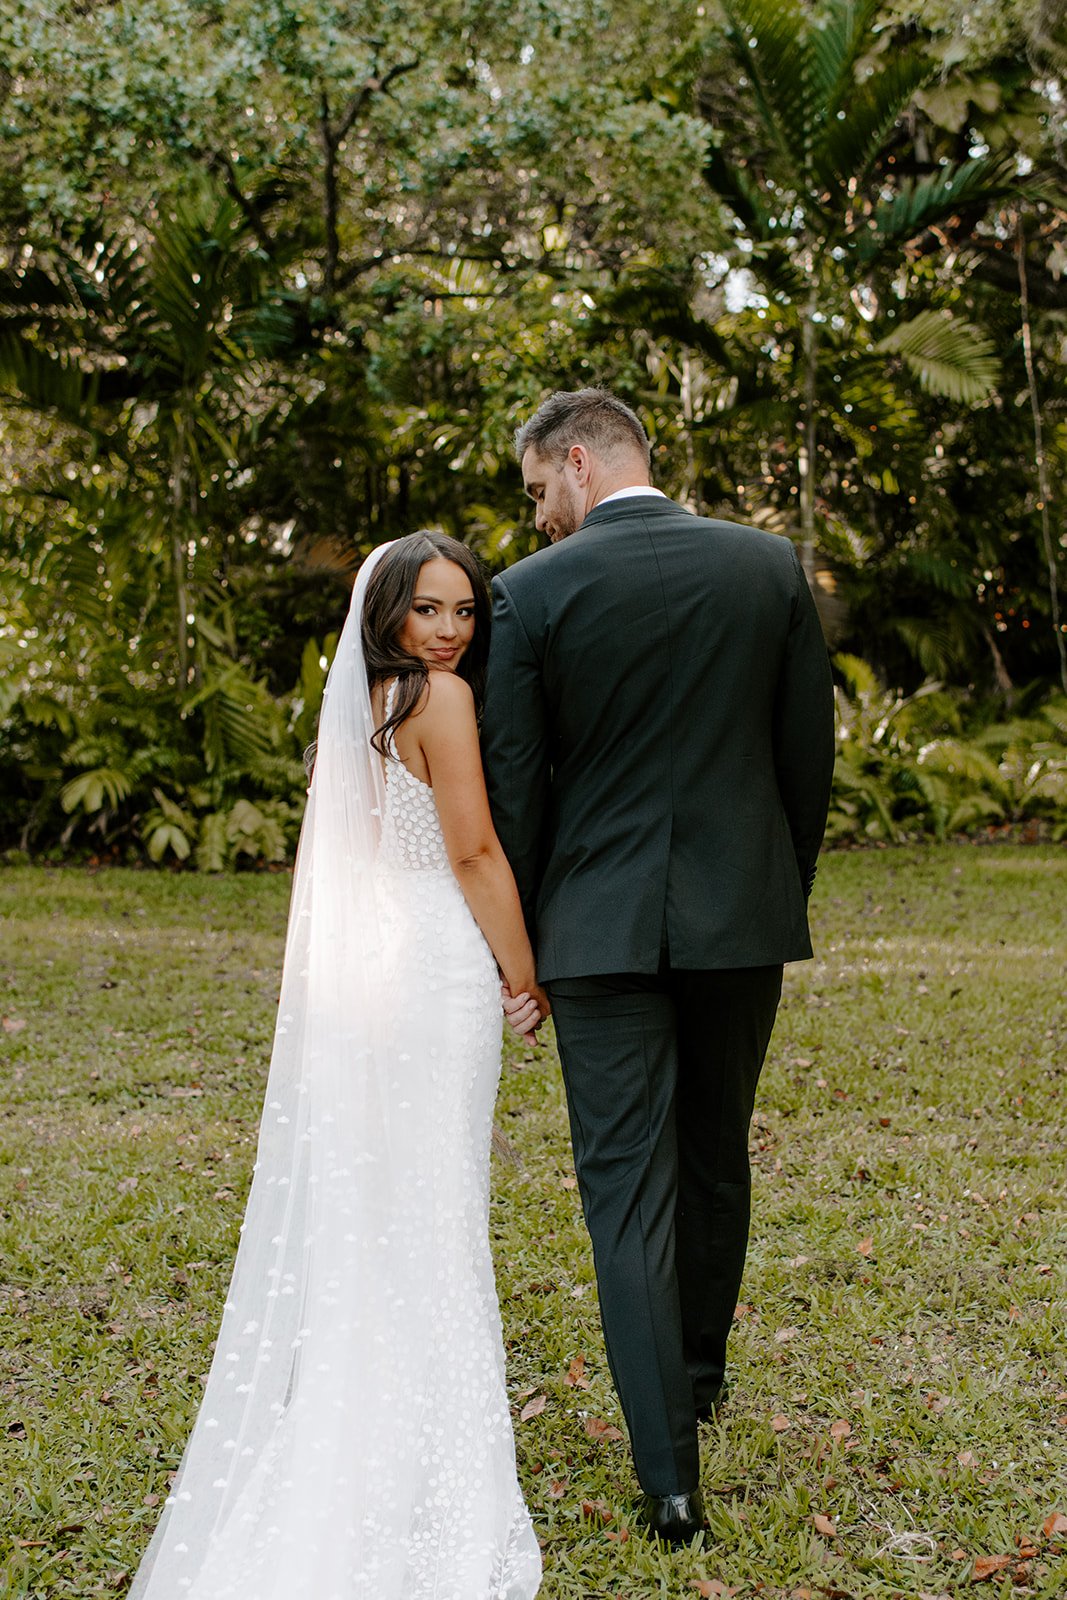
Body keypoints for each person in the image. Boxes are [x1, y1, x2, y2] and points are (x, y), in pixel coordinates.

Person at [128, 531, 545, 1600]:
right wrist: (522, 975)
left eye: (462, 612)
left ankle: (374, 1428)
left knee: (390, 1215)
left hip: (372, 975)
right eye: (428, 610)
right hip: (440, 967)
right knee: (439, 1214)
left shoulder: (363, 706)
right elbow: (471, 851)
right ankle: (424, 1464)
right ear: (388, 613)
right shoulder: (439, 704)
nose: (449, 631)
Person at [484, 388, 835, 1546]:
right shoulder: (764, 567)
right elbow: (802, 764)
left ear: (577, 463)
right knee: (713, 1150)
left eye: (538, 490)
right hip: (741, 916)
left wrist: (525, 950)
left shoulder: (530, 596)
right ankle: (699, 1373)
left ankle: (668, 1480)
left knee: (622, 1192)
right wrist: (768, 885)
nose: (537, 516)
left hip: (591, 932)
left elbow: (517, 792)